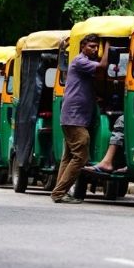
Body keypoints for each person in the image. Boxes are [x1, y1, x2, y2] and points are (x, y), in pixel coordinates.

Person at [50, 34, 109, 203]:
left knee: (68, 157)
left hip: (74, 117)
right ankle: (59, 193)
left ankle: (59, 192)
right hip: (73, 117)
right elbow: (103, 66)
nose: (95, 49)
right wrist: (108, 44)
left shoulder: (85, 65)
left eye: (97, 47)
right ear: (82, 46)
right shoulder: (79, 61)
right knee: (81, 155)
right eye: (92, 46)